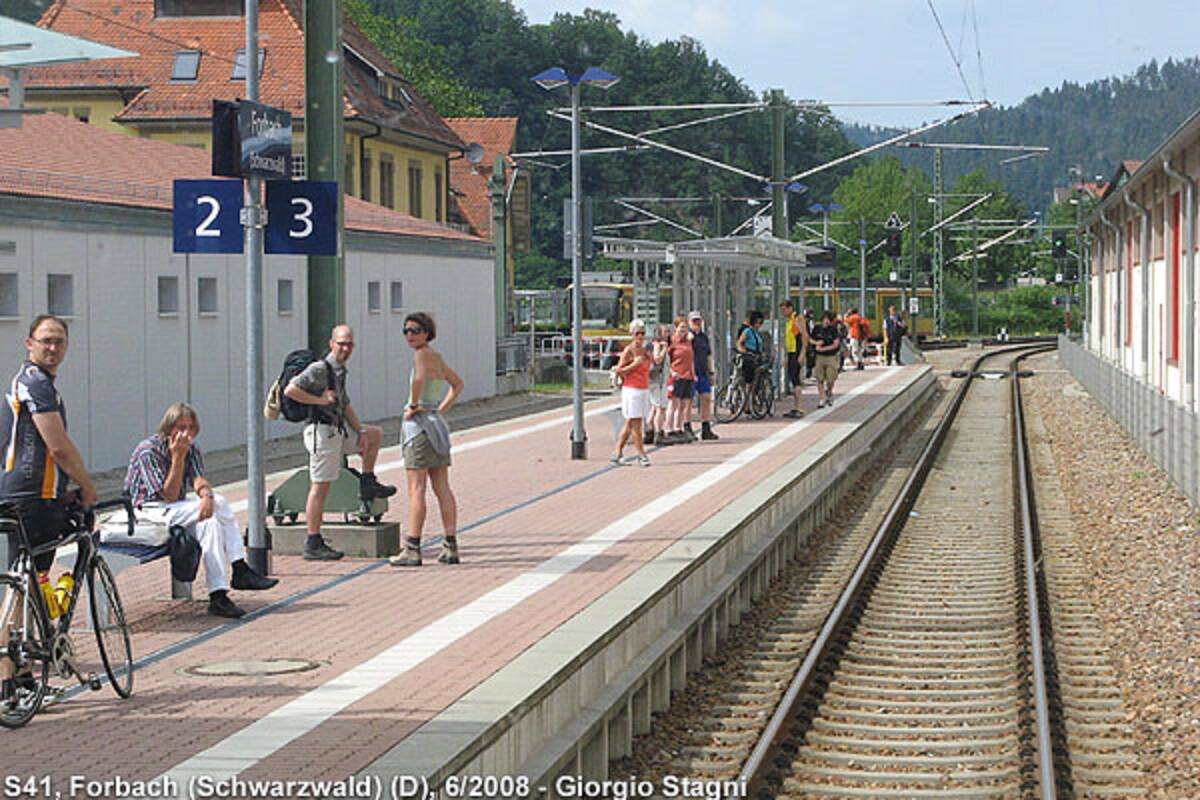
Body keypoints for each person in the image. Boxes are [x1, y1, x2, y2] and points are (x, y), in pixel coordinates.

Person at [1, 315, 97, 706]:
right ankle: (8, 682)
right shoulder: (36, 384)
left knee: (27, 582)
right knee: (21, 590)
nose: (52, 348)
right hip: (32, 497)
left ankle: (22, 678)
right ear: (29, 343)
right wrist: (87, 486)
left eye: (59, 341)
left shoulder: (31, 382)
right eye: (45, 341)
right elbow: (57, 446)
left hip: (30, 494)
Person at [124, 403, 277, 618]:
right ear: (169, 428)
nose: (185, 433)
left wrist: (206, 495)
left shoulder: (191, 448)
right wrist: (177, 457)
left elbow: (197, 478)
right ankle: (240, 567)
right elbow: (167, 494)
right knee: (221, 503)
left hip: (173, 510)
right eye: (180, 427)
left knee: (211, 523)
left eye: (190, 427)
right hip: (145, 513)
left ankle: (218, 596)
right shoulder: (149, 451)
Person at [285, 324, 396, 562]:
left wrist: (360, 432)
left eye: (349, 344)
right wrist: (319, 399)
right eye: (341, 343)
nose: (345, 348)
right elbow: (291, 390)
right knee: (320, 488)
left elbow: (345, 405)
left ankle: (368, 482)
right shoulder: (319, 369)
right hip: (321, 434)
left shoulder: (340, 370)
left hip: (337, 431)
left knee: (374, 434)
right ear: (331, 343)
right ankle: (313, 541)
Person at [390, 313, 464, 567]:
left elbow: (419, 378)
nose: (410, 335)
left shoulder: (421, 355)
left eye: (415, 330)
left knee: (416, 489)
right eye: (406, 330)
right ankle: (451, 544)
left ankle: (412, 547)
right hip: (436, 426)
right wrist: (439, 409)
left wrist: (414, 404)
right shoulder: (437, 357)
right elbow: (457, 384)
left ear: (426, 332)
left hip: (419, 428)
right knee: (442, 487)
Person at [609, 319, 652, 467]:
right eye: (637, 333)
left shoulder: (645, 351)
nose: (640, 336)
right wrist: (634, 364)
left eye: (642, 333)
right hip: (632, 389)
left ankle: (617, 452)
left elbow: (656, 363)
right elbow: (619, 370)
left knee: (629, 423)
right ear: (632, 334)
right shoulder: (629, 350)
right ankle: (642, 455)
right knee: (636, 423)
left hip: (643, 388)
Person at [688, 311, 718, 440]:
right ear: (689, 322)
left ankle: (706, 427)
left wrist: (711, 372)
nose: (697, 323)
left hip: (703, 372)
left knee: (706, 398)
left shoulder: (704, 337)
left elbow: (708, 355)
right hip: (690, 373)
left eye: (698, 320)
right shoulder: (688, 337)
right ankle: (686, 427)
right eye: (694, 321)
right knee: (688, 402)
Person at [666, 316, 696, 443]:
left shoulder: (688, 341)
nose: (684, 330)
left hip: (688, 375)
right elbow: (666, 360)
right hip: (676, 375)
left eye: (686, 327)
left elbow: (691, 359)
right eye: (681, 327)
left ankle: (679, 428)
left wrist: (693, 374)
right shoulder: (672, 341)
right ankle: (669, 429)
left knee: (683, 405)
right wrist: (671, 372)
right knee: (674, 404)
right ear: (676, 328)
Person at [780, 300, 808, 418]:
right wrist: (787, 356)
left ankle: (799, 407)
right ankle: (796, 407)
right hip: (791, 352)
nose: (783, 312)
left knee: (796, 379)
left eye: (784, 309)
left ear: (790, 308)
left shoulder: (797, 318)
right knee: (793, 378)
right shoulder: (789, 320)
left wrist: (802, 353)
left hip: (797, 352)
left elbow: (804, 335)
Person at [810, 309, 843, 408]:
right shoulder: (817, 328)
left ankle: (829, 391)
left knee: (830, 379)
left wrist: (823, 349)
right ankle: (822, 398)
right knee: (819, 379)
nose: (826, 321)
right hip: (819, 358)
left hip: (831, 357)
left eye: (829, 319)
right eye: (825, 319)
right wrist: (816, 344)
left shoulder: (833, 329)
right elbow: (810, 339)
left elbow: (836, 344)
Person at [644, 324, 670, 446]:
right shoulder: (657, 345)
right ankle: (658, 433)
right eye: (665, 331)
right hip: (657, 381)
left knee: (655, 407)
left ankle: (649, 431)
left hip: (656, 380)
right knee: (661, 407)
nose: (668, 333)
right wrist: (664, 349)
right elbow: (657, 359)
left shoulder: (653, 344)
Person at [736, 310, 766, 386]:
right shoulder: (748, 331)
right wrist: (743, 351)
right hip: (750, 356)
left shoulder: (757, 333)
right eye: (757, 322)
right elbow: (739, 343)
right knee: (749, 377)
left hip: (757, 356)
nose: (758, 325)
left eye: (760, 323)